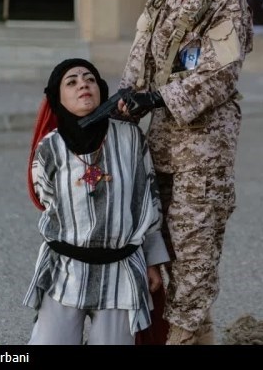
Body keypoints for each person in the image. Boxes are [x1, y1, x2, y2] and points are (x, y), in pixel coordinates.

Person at [115, 0, 254, 345]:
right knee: (166, 256)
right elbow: (141, 52)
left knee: (194, 267)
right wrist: (127, 94)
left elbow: (220, 74)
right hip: (160, 150)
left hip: (202, 156)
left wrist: (159, 96)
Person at [23, 58, 169, 345]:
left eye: (89, 79)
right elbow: (46, 199)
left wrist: (152, 262)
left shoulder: (130, 138)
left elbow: (147, 202)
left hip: (120, 271)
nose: (83, 85)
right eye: (72, 82)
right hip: (65, 270)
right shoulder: (49, 148)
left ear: (101, 89)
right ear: (57, 97)